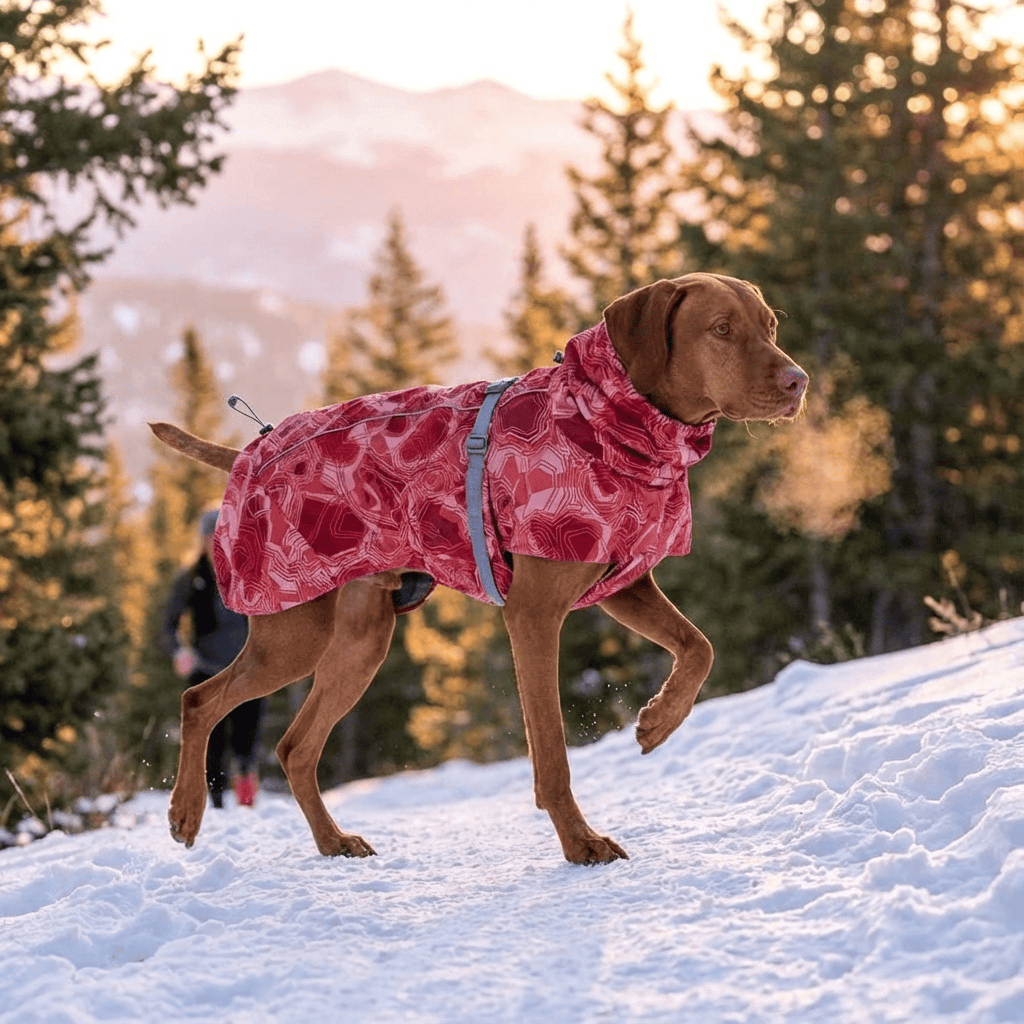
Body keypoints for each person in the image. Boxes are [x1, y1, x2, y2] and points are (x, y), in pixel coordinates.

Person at [162, 509, 262, 808]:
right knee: (212, 741)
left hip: (247, 667)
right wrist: (179, 651)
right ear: (203, 540)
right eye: (211, 537)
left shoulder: (247, 571)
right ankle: (216, 803)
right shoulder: (190, 576)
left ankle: (246, 793)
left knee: (246, 739)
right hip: (206, 668)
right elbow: (169, 623)